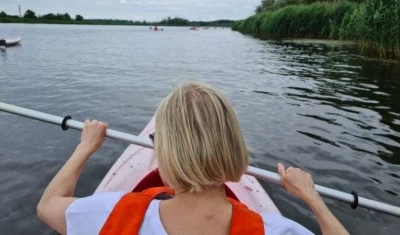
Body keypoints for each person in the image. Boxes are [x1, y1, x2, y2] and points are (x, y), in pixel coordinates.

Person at [37, 82, 349, 234]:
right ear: (231, 147)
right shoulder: (278, 231)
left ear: (165, 153)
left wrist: (86, 147)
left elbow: (47, 206)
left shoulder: (108, 216)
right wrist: (312, 198)